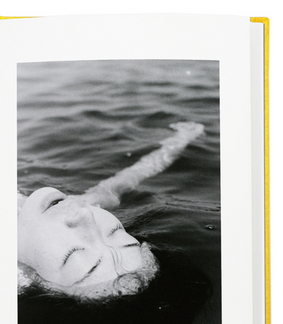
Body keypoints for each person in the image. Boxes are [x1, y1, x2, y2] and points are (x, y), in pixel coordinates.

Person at [18, 121, 205, 299]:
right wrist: (181, 139)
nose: (85, 214)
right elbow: (136, 173)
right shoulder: (76, 206)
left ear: (31, 279)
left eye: (71, 254)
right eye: (114, 231)